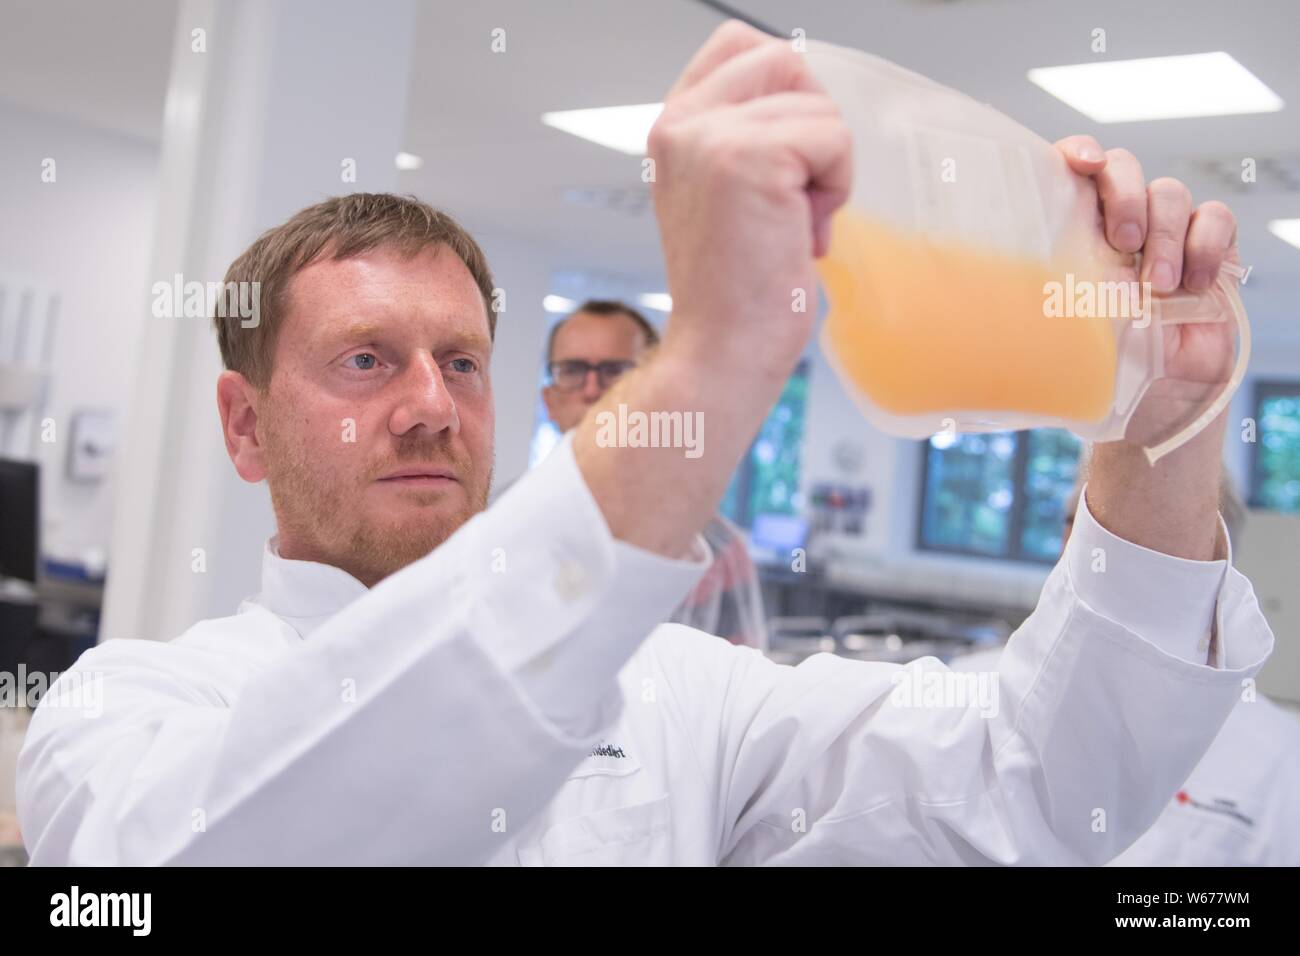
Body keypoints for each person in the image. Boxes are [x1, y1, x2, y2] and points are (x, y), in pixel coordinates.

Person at [17, 21, 1272, 865]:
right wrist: (718, 351)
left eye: (459, 360)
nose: (428, 404)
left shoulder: (680, 693)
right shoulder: (126, 710)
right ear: (245, 427)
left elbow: (1042, 783)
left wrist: (1156, 425)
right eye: (364, 360)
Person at [952, 467, 1300, 865]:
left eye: (1162, 551)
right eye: (1113, 543)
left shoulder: (1280, 760)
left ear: (1219, 563)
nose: (1133, 578)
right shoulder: (967, 694)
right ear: (1071, 539)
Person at [542, 299, 767, 650]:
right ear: (550, 402)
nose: (591, 390)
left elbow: (742, 693)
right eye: (571, 371)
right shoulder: (499, 522)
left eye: (615, 372)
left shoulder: (718, 551)